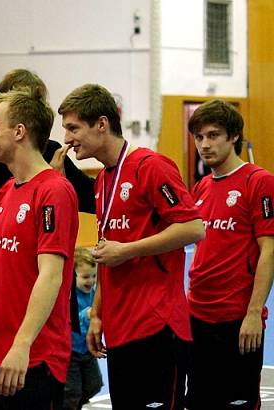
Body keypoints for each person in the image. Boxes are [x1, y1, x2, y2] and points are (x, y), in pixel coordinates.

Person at [0, 68, 95, 410]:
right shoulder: (6, 191)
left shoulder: (54, 190)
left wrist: (22, 343)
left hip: (33, 352)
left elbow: (50, 274)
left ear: (19, 130)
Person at [59, 83, 204, 409]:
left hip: (157, 324)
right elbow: (108, 252)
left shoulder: (150, 166)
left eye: (73, 128)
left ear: (101, 124)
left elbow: (194, 227)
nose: (68, 138)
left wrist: (128, 250)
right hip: (120, 328)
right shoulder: (104, 181)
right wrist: (97, 314)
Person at [186, 100, 274, 410]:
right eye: (199, 137)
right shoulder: (201, 188)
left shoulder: (258, 181)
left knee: (237, 402)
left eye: (214, 135)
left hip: (237, 320)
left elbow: (269, 251)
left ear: (234, 136)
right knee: (198, 401)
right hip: (197, 316)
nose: (205, 145)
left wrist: (253, 313)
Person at [64, 248, 103, 410]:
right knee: (72, 391)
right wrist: (86, 314)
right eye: (85, 277)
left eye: (94, 276)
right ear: (73, 276)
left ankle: (75, 404)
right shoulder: (68, 296)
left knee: (95, 384)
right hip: (70, 353)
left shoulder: (95, 293)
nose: (91, 281)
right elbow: (69, 320)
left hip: (87, 351)